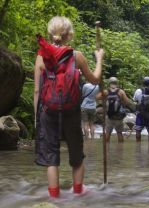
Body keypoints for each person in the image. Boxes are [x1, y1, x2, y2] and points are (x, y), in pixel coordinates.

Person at [34, 16, 104, 198]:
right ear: (69, 35)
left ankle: (54, 198)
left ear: (50, 34)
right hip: (71, 110)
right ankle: (78, 193)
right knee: (76, 154)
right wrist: (99, 59)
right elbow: (95, 79)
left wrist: (37, 117)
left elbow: (36, 90)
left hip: (48, 110)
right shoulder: (76, 56)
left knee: (51, 158)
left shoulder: (41, 57)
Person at [97, 77, 134, 143]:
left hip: (109, 116)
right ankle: (120, 150)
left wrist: (104, 99)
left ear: (109, 83)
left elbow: (97, 97)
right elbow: (126, 102)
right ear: (117, 83)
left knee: (108, 133)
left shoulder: (106, 91)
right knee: (119, 133)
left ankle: (107, 149)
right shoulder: (121, 92)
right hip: (119, 117)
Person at [133, 76, 149, 142]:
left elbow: (135, 100)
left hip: (140, 114)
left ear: (143, 83)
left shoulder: (138, 91)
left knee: (138, 130)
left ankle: (138, 146)